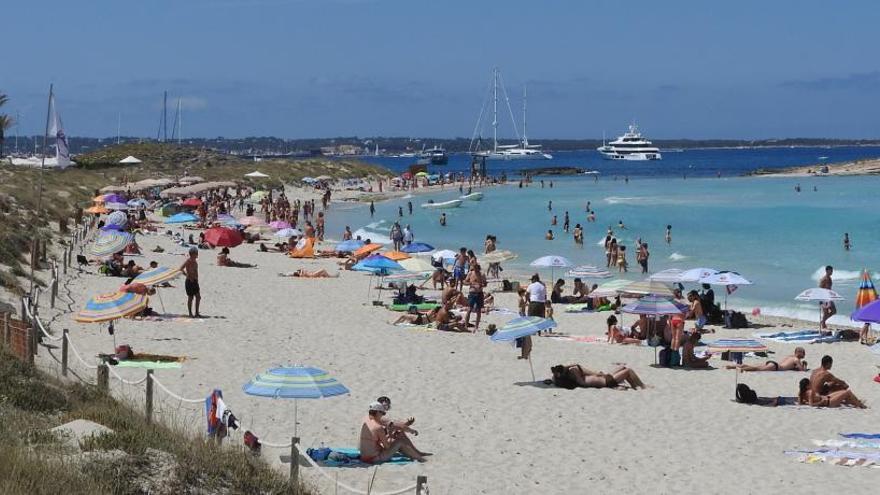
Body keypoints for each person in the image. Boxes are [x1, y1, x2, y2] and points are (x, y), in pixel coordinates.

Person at [359, 402, 426, 463]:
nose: (383, 415)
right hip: (374, 458)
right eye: (383, 413)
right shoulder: (378, 427)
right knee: (400, 442)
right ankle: (420, 459)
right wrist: (391, 437)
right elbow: (387, 447)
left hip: (363, 456)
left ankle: (416, 454)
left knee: (396, 438)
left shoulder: (365, 420)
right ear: (378, 413)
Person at [549, 364, 646, 390]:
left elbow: (554, 378)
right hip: (607, 382)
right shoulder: (574, 373)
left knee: (624, 367)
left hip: (605, 378)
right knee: (628, 371)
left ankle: (635, 386)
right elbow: (582, 383)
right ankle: (642, 386)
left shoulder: (572, 372)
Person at [798, 378, 865, 408]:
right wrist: (820, 403)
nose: (811, 384)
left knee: (844, 393)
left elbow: (800, 403)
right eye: (810, 384)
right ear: (807, 386)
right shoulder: (810, 392)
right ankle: (861, 406)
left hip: (828, 398)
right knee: (848, 392)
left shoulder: (800, 393)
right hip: (829, 402)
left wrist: (805, 402)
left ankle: (857, 403)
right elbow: (811, 405)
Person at [727, 347, 807, 372]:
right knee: (757, 369)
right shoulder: (796, 360)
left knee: (754, 366)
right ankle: (742, 369)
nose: (804, 355)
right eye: (803, 353)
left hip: (773, 363)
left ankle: (732, 366)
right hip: (776, 367)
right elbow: (802, 370)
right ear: (799, 352)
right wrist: (804, 365)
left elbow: (790, 366)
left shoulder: (791, 356)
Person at [463, 263, 486, 331]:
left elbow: (485, 283)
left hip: (479, 293)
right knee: (469, 309)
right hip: (472, 293)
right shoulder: (470, 273)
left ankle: (476, 326)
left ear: (478, 268)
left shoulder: (482, 274)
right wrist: (471, 284)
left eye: (476, 268)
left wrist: (481, 285)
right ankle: (466, 325)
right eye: (474, 268)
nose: (475, 270)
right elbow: (464, 281)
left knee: (478, 311)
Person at [180, 247, 201, 318]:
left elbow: (196, 271)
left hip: (195, 281)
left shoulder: (195, 262)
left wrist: (196, 278)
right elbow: (181, 269)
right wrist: (187, 275)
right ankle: (190, 313)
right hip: (189, 281)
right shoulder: (188, 261)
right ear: (192, 254)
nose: (197, 254)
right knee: (190, 297)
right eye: (196, 253)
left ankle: (197, 312)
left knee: (198, 297)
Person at [819, 265, 836, 331]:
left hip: (829, 297)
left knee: (834, 311)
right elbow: (820, 289)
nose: (832, 272)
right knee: (825, 312)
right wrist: (821, 300)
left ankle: (822, 322)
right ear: (827, 271)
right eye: (831, 270)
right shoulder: (824, 279)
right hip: (824, 298)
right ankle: (823, 323)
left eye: (832, 270)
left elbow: (829, 288)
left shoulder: (829, 278)